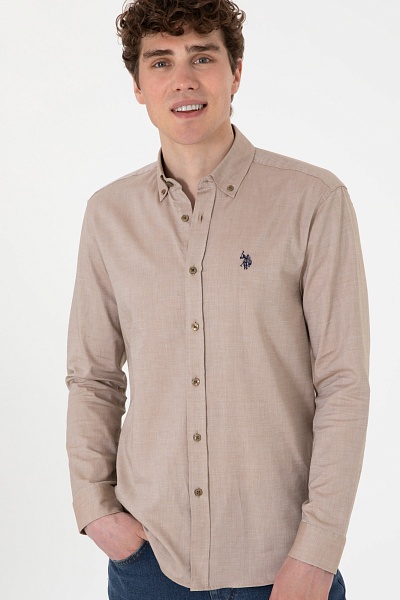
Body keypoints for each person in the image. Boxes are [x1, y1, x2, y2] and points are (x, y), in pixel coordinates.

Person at [65, 1, 370, 598]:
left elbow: (343, 384)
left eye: (202, 57)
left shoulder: (314, 202)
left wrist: (319, 550)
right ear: (139, 86)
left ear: (236, 73)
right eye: (161, 62)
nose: (183, 79)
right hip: (149, 562)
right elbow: (94, 376)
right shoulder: (108, 215)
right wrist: (94, 507)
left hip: (285, 564)